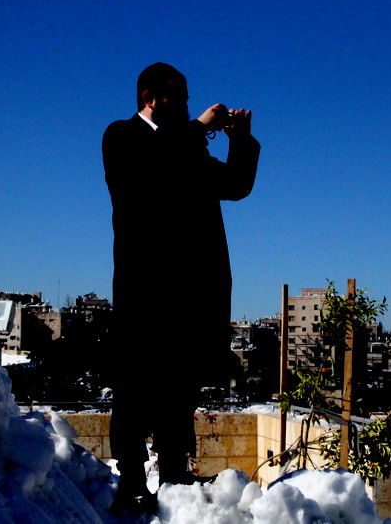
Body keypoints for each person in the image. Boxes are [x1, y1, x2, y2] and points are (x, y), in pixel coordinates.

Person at [102, 62, 260, 513]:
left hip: (191, 293)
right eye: (182, 96)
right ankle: (131, 481)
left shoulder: (185, 148)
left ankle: (174, 476)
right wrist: (198, 128)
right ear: (152, 97)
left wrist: (239, 140)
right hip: (144, 289)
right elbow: (150, 167)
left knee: (179, 388)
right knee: (134, 388)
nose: (190, 105)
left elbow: (235, 185)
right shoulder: (123, 137)